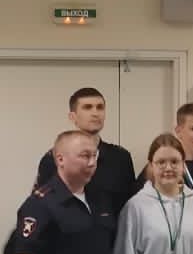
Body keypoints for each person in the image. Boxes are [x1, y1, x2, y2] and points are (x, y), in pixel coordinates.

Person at [33, 86, 141, 218]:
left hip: (111, 229)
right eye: (87, 107)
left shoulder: (120, 157)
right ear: (73, 117)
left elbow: (130, 205)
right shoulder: (54, 158)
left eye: (100, 107)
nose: (95, 113)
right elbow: (41, 205)